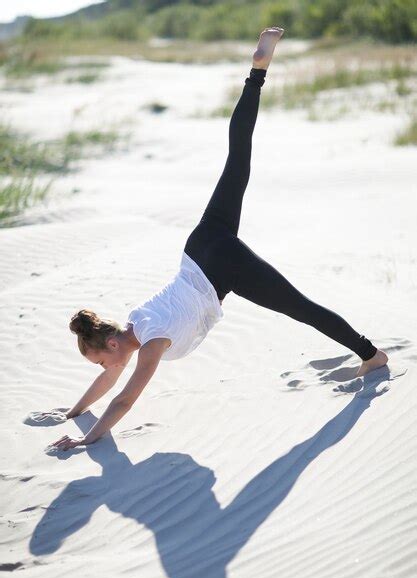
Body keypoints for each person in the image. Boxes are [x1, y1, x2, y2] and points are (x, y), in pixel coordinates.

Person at [51, 27, 388, 452]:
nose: (104, 368)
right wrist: (73, 414)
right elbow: (109, 379)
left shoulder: (152, 343)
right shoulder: (134, 322)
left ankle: (372, 355)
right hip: (200, 245)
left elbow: (123, 399)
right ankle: (257, 72)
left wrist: (86, 441)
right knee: (238, 158)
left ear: (112, 343)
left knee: (300, 308)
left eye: (101, 359)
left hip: (218, 267)